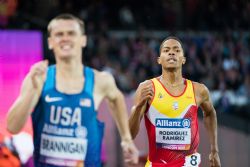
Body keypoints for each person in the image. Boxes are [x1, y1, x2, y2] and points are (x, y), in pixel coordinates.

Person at [7, 13, 138, 167]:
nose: (65, 38)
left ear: (83, 40)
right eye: (59, 34)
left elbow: (116, 98)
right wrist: (31, 92)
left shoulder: (100, 81)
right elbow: (12, 127)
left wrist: (126, 139)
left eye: (71, 33)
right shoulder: (39, 78)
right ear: (50, 42)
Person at [129, 36, 221, 167]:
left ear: (183, 59)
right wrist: (138, 107)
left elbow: (210, 113)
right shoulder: (147, 88)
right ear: (159, 60)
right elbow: (130, 135)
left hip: (188, 164)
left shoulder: (198, 90)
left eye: (176, 50)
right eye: (166, 50)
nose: (171, 52)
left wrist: (214, 150)